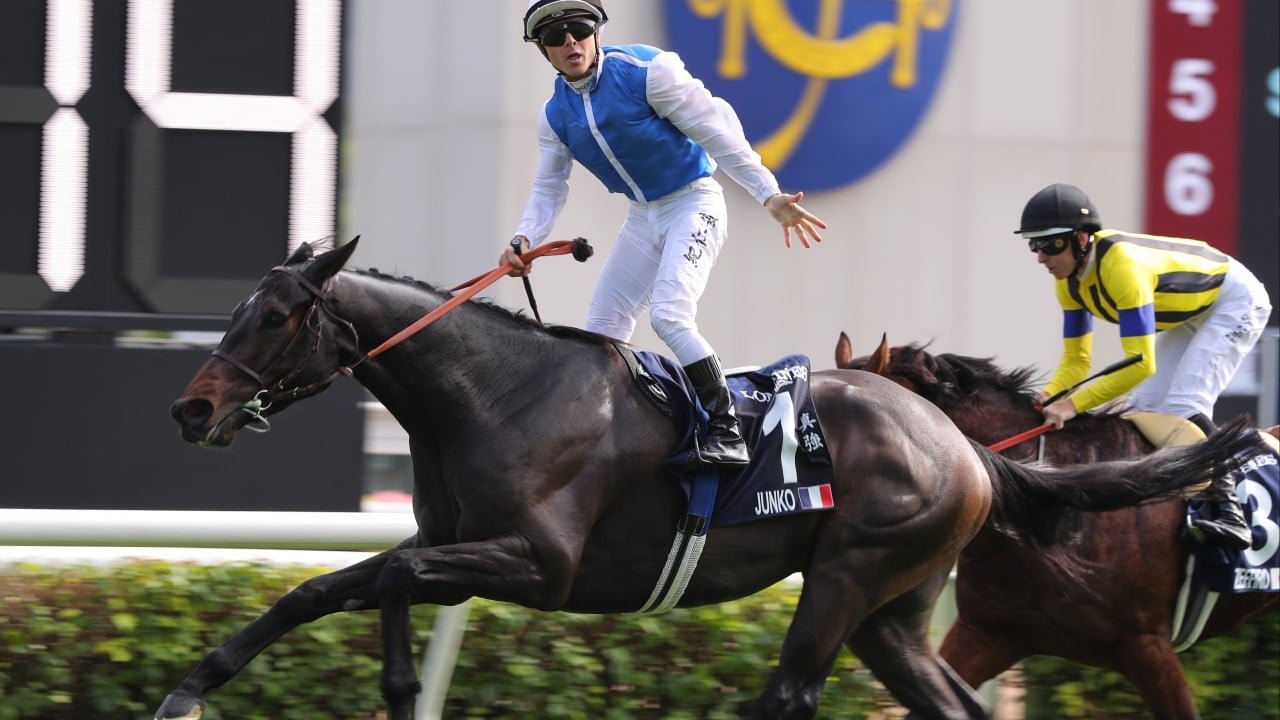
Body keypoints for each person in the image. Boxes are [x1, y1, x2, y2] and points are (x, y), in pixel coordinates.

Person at [504, 0, 828, 471]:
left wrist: (768, 194)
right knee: (600, 331)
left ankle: (727, 430)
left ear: (597, 33)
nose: (570, 41)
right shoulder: (554, 115)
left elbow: (716, 130)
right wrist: (523, 239)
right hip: (643, 216)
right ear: (544, 51)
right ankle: (602, 434)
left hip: (694, 202)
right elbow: (549, 187)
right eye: (556, 37)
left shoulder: (647, 71)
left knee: (670, 316)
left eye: (580, 28)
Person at [1016, 182, 1271, 549]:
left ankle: (1229, 510)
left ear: (1083, 239)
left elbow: (1140, 364)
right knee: (1143, 408)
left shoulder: (1122, 267)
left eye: (1051, 244)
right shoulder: (1067, 284)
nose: (1042, 257)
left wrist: (1073, 405)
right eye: (1034, 245)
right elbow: (1076, 361)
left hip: (1234, 299)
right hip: (1192, 310)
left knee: (1183, 404)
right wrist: (1048, 396)